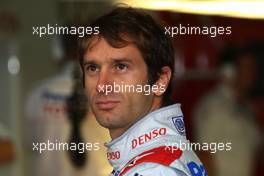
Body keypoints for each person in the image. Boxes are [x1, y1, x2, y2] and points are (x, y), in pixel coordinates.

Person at [79, 6, 206, 176]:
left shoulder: (153, 170)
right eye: (93, 68)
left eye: (121, 66)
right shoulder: (161, 157)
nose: (102, 85)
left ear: (160, 80)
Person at [193, 46, 262, 176]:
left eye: (253, 69)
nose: (252, 74)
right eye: (246, 68)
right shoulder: (212, 106)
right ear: (229, 71)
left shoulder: (248, 108)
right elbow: (204, 153)